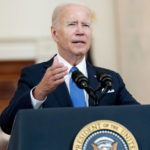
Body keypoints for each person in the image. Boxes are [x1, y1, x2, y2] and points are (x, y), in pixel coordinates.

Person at [0, 2, 139, 135]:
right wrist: (39, 92)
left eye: (85, 25)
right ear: (55, 34)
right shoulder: (34, 75)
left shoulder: (110, 79)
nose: (80, 31)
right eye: (72, 24)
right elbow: (7, 125)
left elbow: (140, 116)